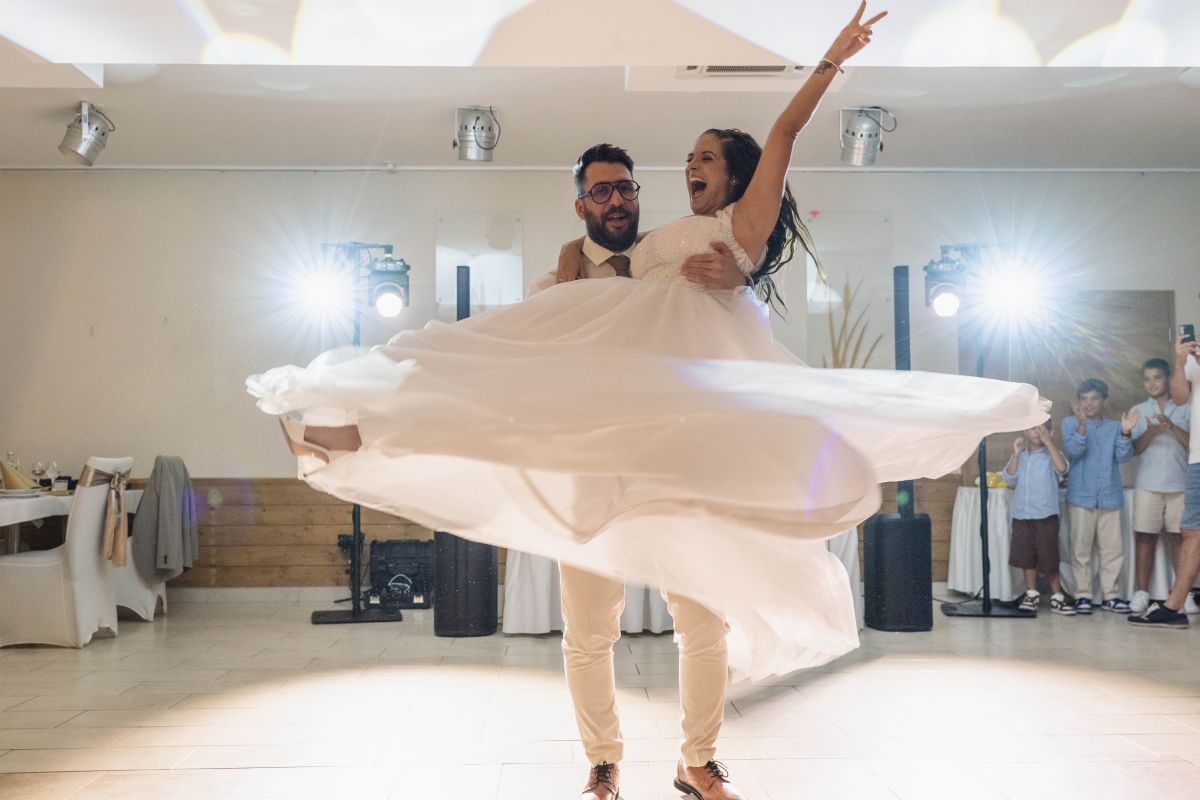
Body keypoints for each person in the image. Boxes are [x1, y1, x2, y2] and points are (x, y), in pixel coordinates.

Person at [249, 6, 1046, 793]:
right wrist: (580, 278)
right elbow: (591, 329)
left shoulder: (732, 230)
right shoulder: (592, 266)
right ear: (584, 204)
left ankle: (696, 760)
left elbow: (782, 140)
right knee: (502, 409)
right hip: (595, 459)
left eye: (699, 160)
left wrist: (829, 66)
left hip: (680, 458)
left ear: (731, 176)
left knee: (701, 619)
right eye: (617, 186)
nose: (678, 171)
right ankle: (600, 761)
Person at [1131, 335, 1200, 628]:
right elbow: (1135, 448)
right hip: (1157, 478)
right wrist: (1150, 431)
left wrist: (1170, 427)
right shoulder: (1139, 409)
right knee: (1157, 536)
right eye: (1147, 379)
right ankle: (1154, 597)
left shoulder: (1183, 408)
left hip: (1179, 480)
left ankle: (1180, 598)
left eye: (1157, 377)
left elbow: (1188, 434)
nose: (1152, 383)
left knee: (1181, 537)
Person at [1061, 379, 1138, 614]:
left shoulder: (1115, 427)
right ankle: (1082, 595)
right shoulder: (1069, 423)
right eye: (1084, 399)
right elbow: (1074, 451)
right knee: (1080, 549)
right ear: (1079, 402)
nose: (1089, 403)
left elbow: (1124, 457)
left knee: (1112, 550)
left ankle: (1111, 596)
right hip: (1080, 496)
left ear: (1103, 400)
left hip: (1109, 496)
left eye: (1094, 398)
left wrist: (1125, 432)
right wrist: (1081, 427)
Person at [1002, 421, 1072, 615]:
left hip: (1045, 515)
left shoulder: (1052, 454)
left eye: (1042, 429)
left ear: (1050, 432)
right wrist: (1015, 454)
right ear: (1025, 430)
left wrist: (1049, 443)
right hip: (1022, 515)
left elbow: (1062, 468)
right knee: (1026, 557)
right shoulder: (1021, 456)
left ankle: (1057, 596)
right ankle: (1031, 593)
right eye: (1034, 428)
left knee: (1049, 557)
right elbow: (1009, 478)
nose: (1037, 432)